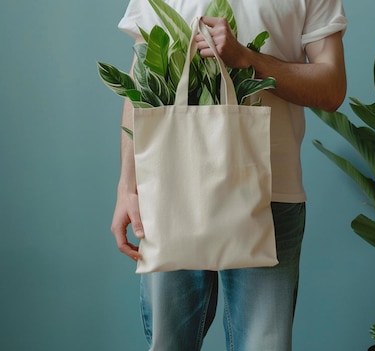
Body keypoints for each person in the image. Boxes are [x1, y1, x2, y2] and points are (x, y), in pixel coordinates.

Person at [109, 1, 347, 350]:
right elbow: (141, 77)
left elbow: (331, 88)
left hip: (270, 196)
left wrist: (251, 60)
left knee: (263, 345)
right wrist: (127, 188)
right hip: (171, 190)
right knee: (168, 344)